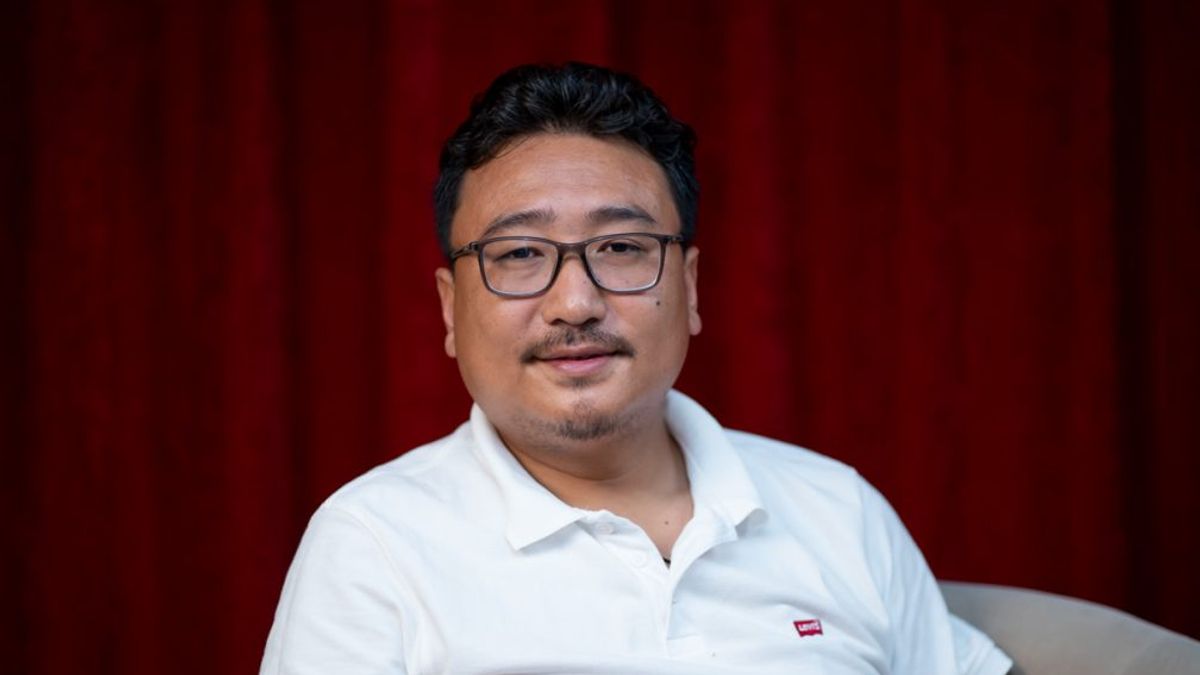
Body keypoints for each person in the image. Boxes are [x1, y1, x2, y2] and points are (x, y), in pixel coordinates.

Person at [260, 62, 1012, 675]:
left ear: (690, 287)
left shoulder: (838, 510)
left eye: (621, 247)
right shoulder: (374, 544)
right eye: (519, 254)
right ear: (451, 309)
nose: (575, 303)